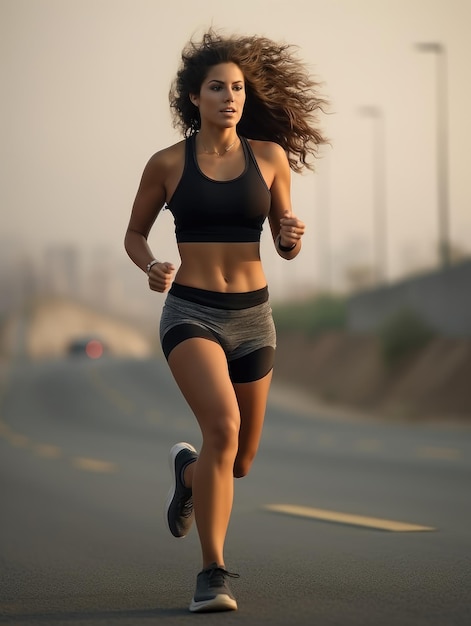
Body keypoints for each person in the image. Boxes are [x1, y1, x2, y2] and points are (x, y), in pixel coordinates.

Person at [124, 29, 328, 613]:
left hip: (254, 318)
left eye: (237, 87)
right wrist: (152, 264)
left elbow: (284, 240)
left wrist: (289, 237)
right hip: (190, 313)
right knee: (223, 426)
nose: (229, 97)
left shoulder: (270, 159)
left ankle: (188, 476)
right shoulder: (167, 164)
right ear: (195, 96)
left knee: (238, 460)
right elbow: (134, 233)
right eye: (217, 87)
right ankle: (212, 574)